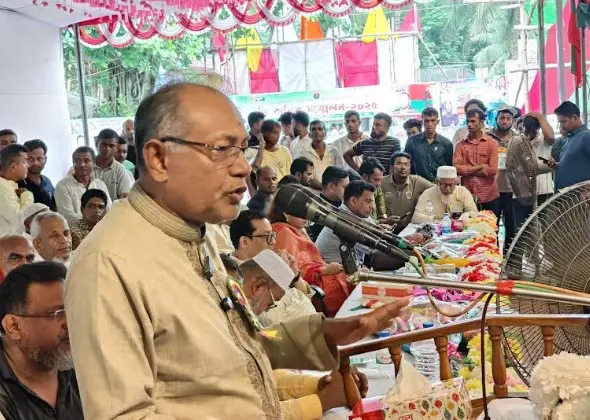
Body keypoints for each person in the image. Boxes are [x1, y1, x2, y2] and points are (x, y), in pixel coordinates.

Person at [65, 83, 409, 419]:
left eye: (243, 148)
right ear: (158, 158)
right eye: (222, 149)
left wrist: (328, 334)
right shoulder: (107, 263)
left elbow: (236, 348)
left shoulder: (199, 235)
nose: (244, 167)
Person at [222, 252, 355, 420]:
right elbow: (245, 411)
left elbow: (261, 373)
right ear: (258, 287)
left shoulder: (239, 316)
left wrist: (319, 384)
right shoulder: (220, 329)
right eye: (271, 303)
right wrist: (321, 401)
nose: (263, 310)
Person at [0, 262, 82, 419]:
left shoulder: (85, 369)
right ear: (14, 326)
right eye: (57, 313)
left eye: (71, 308)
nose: (70, 321)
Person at [270, 197, 353, 317]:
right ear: (286, 214)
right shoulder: (284, 232)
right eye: (301, 213)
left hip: (317, 277)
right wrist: (324, 270)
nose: (306, 217)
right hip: (307, 285)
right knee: (354, 284)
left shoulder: (295, 228)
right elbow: (290, 270)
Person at [507, 115, 553, 229]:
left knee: (546, 229)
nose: (526, 133)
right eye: (523, 129)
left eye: (531, 129)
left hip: (543, 191)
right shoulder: (515, 142)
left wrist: (540, 116)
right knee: (523, 230)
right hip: (521, 193)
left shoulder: (543, 140)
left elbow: (551, 137)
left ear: (538, 128)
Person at [315, 180, 376, 266]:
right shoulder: (343, 221)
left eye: (372, 202)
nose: (372, 207)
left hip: (350, 269)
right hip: (331, 271)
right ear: (353, 201)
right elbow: (376, 249)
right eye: (368, 201)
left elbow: (378, 236)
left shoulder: (360, 214)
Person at [454, 108, 500, 218]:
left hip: (489, 196)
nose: (469, 124)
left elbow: (492, 170)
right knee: (468, 226)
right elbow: (457, 169)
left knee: (491, 227)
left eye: (473, 121)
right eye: (467, 121)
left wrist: (468, 170)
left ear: (481, 123)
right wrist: (481, 166)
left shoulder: (492, 143)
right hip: (467, 196)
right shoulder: (460, 145)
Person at [486, 104, 518, 251]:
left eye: (508, 118)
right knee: (491, 225)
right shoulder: (486, 137)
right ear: (496, 119)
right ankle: (491, 257)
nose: (504, 121)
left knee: (512, 226)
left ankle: (510, 259)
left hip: (512, 189)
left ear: (512, 121)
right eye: (502, 118)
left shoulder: (518, 139)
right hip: (491, 189)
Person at [54, 146, 112, 227]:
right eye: (77, 161)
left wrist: (102, 227)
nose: (82, 164)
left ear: (94, 163)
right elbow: (67, 215)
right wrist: (90, 226)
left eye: (86, 160)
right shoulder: (63, 186)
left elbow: (109, 210)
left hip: (101, 229)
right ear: (73, 163)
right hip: (76, 231)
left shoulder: (100, 184)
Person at [380, 152, 432, 232]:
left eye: (406, 164)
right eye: (399, 164)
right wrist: (386, 220)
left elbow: (436, 190)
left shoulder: (417, 181)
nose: (403, 167)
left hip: (410, 230)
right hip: (386, 229)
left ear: (410, 168)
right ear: (392, 167)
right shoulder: (381, 182)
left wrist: (423, 199)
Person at [412, 166, 477, 223]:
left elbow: (474, 212)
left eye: (451, 185)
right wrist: (436, 221)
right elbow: (416, 217)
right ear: (437, 182)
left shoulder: (462, 191)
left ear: (456, 182)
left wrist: (463, 217)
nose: (448, 189)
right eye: (444, 185)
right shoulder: (428, 193)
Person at [404, 107, 453, 182]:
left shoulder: (446, 143)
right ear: (422, 122)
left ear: (437, 122)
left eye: (433, 120)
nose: (430, 124)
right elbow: (407, 164)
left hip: (440, 184)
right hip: (418, 184)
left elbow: (449, 167)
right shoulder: (412, 142)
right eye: (426, 121)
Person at [552, 101, 590, 190]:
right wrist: (558, 165)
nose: (561, 126)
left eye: (563, 122)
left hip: (582, 194)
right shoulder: (569, 139)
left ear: (575, 117)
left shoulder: (586, 136)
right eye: (560, 122)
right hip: (567, 194)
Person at [307, 166, 350, 242]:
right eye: (345, 188)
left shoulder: (346, 205)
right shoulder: (313, 209)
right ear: (331, 186)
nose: (348, 192)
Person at [0, 145, 34, 237]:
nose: (28, 165)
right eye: (24, 161)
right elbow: (21, 220)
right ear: (13, 166)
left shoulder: (8, 184)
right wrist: (27, 195)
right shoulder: (1, 187)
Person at [301, 120, 344, 190]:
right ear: (309, 134)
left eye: (320, 129)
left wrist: (331, 189)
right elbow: (305, 176)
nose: (317, 132)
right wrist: (323, 188)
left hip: (332, 191)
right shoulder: (304, 153)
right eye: (313, 129)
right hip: (312, 192)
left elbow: (340, 173)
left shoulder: (334, 151)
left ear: (325, 133)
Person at [94, 129, 133, 201]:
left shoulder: (120, 170)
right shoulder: (86, 167)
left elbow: (124, 198)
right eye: (104, 144)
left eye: (111, 146)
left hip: (113, 208)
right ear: (96, 144)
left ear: (116, 147)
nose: (107, 149)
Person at [18, 139, 55, 210]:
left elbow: (54, 207)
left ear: (45, 160)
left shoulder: (47, 181)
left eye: (39, 158)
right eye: (30, 159)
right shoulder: (17, 182)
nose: (35, 163)